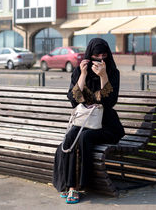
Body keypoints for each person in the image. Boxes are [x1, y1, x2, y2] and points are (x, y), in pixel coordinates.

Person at [53, 38, 125, 204]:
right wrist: (84, 75)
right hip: (84, 122)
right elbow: (74, 100)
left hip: (107, 125)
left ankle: (79, 185)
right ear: (89, 55)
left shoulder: (113, 72)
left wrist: (103, 76)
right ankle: (70, 185)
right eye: (96, 54)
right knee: (70, 137)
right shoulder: (79, 71)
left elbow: (109, 102)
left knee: (84, 138)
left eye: (104, 54)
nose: (100, 58)